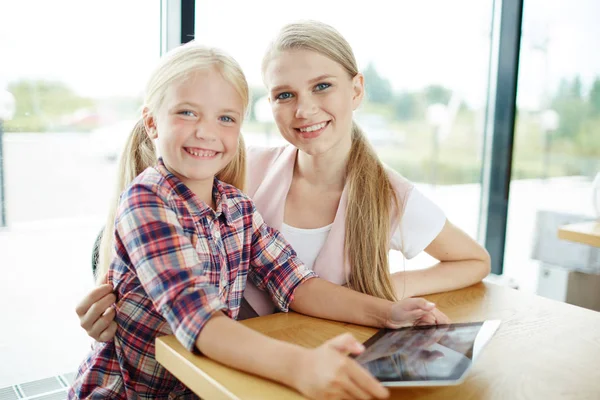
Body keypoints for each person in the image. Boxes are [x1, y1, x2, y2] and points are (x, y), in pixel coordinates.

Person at [69, 41, 448, 400]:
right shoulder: (146, 201)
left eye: (226, 118)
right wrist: (302, 366)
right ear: (152, 123)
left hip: (205, 386)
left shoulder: (237, 207)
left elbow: (297, 283)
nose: (206, 131)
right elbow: (200, 320)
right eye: (187, 112)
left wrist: (387, 313)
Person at [77, 19, 489, 338]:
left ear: (357, 90)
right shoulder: (238, 171)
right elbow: (148, 229)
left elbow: (476, 261)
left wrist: (386, 290)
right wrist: (111, 299)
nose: (304, 110)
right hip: (217, 367)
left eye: (322, 86)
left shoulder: (389, 196)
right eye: (284, 95)